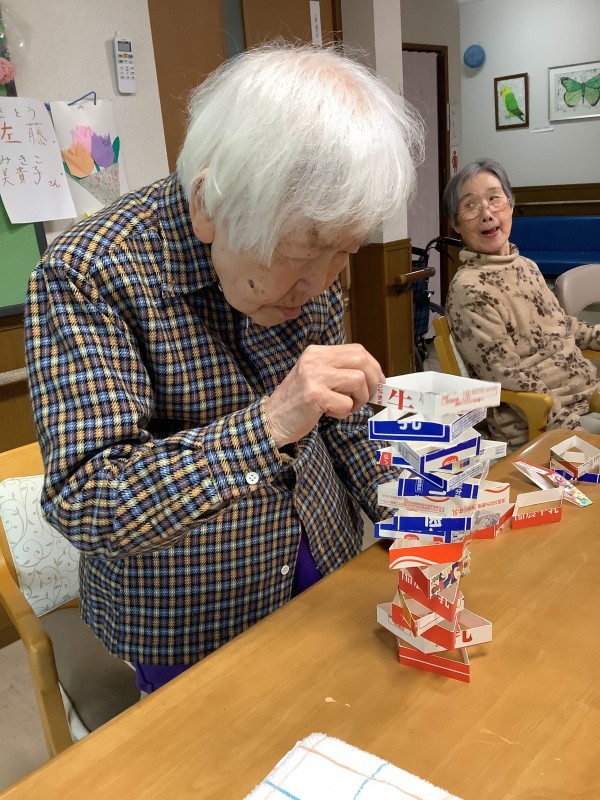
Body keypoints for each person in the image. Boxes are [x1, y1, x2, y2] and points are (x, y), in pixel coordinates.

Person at [25, 43, 424, 694]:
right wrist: (267, 424)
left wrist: (413, 515)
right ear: (207, 206)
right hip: (190, 613)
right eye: (302, 252)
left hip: (322, 557)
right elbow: (87, 501)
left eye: (343, 252)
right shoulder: (89, 275)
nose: (320, 284)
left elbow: (344, 419)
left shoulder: (311, 260)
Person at [443, 157, 600, 447]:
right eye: (471, 205)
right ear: (455, 223)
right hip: (539, 424)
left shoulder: (526, 266)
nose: (487, 213)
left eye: (494, 199)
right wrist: (572, 432)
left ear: (511, 205)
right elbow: (505, 374)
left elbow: (563, 327)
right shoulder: (469, 289)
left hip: (587, 399)